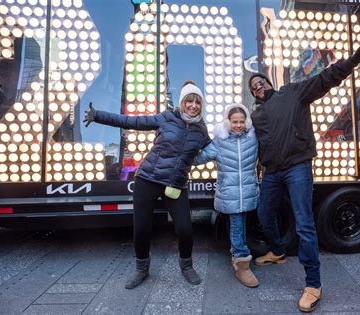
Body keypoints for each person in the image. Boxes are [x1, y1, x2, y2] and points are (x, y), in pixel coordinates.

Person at [248, 29, 360, 312]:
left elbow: (326, 78)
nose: (257, 86)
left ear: (269, 83)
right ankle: (278, 251)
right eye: (253, 86)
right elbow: (254, 145)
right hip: (271, 172)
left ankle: (313, 285)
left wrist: (356, 57)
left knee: (304, 223)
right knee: (264, 214)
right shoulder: (255, 115)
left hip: (297, 167)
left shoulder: (293, 93)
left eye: (260, 81)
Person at [83, 80, 210, 289]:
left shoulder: (201, 131)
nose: (193, 105)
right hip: (147, 179)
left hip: (175, 185)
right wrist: (98, 116)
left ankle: (187, 266)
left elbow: (215, 150)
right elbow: (133, 122)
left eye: (197, 102)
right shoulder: (167, 118)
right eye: (189, 101)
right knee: (141, 228)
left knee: (185, 229)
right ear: (182, 102)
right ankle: (141, 269)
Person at [193, 104, 259, 288]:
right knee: (237, 224)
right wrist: (184, 150)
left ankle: (238, 253)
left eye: (241, 121)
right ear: (228, 122)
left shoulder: (253, 139)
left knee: (242, 223)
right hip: (229, 193)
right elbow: (199, 158)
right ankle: (241, 264)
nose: (238, 125)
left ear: (246, 122)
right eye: (234, 121)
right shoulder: (219, 142)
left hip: (247, 191)